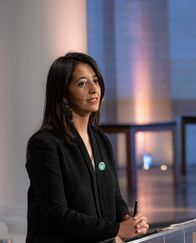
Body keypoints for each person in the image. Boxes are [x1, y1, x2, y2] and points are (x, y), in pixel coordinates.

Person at [26, 52, 149, 243]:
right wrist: (115, 230)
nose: (94, 89)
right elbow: (57, 214)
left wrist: (128, 220)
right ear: (63, 94)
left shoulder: (101, 141)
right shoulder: (44, 144)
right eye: (82, 83)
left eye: (95, 81)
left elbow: (114, 198)